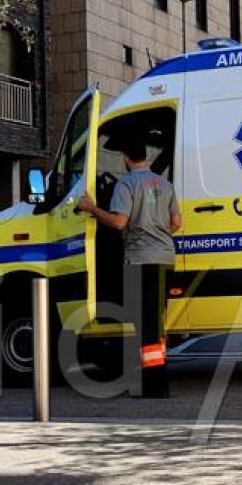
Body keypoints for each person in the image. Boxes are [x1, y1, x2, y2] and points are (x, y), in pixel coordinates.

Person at [77, 138, 181, 398]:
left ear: (125, 157)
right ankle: (157, 380)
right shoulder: (165, 184)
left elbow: (119, 222)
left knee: (145, 324)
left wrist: (92, 209)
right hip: (165, 258)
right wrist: (157, 233)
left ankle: (154, 387)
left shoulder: (126, 184)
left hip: (140, 259)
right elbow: (177, 222)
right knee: (156, 323)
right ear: (145, 156)